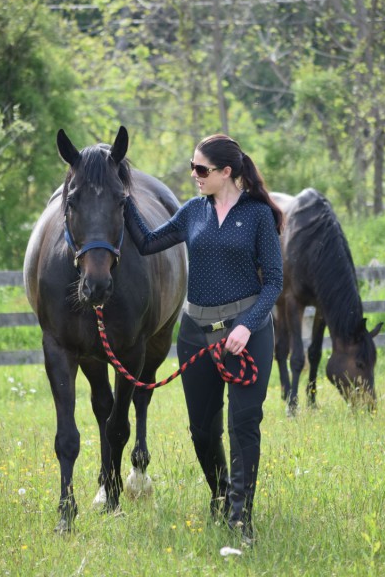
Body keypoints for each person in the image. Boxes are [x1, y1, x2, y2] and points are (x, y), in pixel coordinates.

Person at [124, 133, 283, 545]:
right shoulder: (193, 211)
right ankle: (220, 493)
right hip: (196, 335)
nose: (194, 176)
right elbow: (146, 242)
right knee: (202, 431)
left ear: (226, 172)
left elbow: (275, 282)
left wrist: (247, 325)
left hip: (246, 334)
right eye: (192, 167)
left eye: (201, 170)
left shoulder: (258, 216)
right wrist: (121, 197)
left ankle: (240, 519)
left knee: (243, 425)